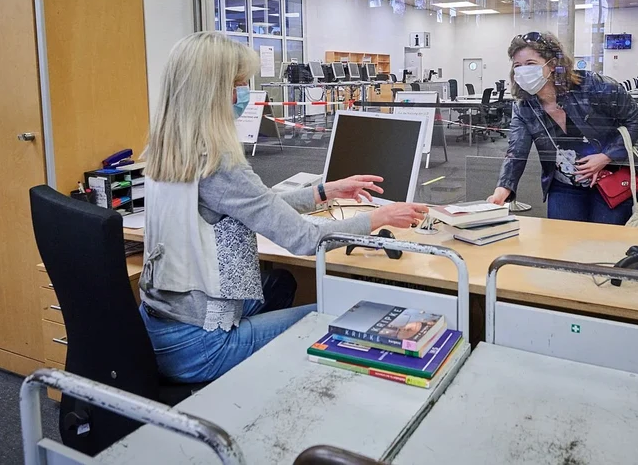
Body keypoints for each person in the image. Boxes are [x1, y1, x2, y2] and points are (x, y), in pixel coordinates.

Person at [140, 32, 428, 383]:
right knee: (346, 310)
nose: (242, 96)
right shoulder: (218, 164)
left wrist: (325, 191)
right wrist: (378, 218)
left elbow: (256, 205)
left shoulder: (169, 151)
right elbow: (305, 240)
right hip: (202, 345)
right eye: (238, 85)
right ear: (212, 93)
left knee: (279, 283)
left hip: (163, 328)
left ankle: (262, 378)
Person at [488, 31, 638, 224]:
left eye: (530, 64)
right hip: (564, 185)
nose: (522, 71)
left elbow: (635, 118)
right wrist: (503, 189)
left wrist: (606, 156)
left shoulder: (592, 85)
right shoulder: (524, 107)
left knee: (606, 245)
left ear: (552, 64)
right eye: (517, 66)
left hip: (610, 178)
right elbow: (516, 151)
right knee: (563, 245)